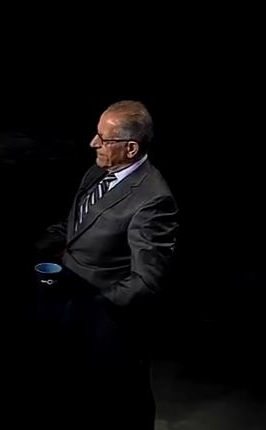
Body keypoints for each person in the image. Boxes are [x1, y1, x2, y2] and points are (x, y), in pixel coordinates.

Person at [35, 100, 178, 429]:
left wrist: (95, 306)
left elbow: (148, 280)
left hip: (108, 324)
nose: (94, 144)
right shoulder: (99, 169)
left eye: (104, 139)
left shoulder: (154, 199)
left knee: (121, 403)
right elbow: (78, 225)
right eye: (96, 134)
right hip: (71, 309)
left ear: (130, 148)